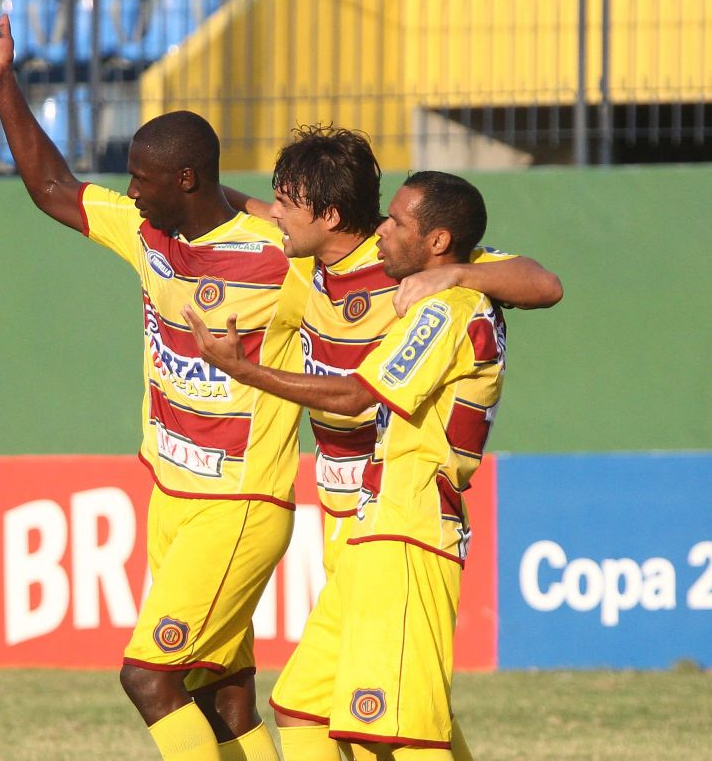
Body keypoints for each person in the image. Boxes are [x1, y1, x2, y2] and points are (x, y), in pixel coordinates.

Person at [0, 3, 311, 761]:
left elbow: (365, 266)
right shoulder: (147, 232)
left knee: (148, 679)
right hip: (173, 500)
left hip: (238, 505)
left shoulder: (279, 259)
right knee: (224, 696)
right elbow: (53, 187)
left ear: (185, 177)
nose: (131, 189)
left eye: (143, 179)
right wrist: (2, 81)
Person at [183, 171, 509, 759]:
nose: (383, 227)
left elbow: (357, 396)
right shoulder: (441, 295)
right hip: (374, 524)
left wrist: (244, 370)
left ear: (438, 242)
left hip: (409, 528)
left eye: (398, 221)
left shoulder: (450, 309)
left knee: (405, 735)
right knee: (304, 702)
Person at [224, 125, 560, 581]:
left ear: (329, 215)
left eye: (286, 203)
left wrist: (456, 275)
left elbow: (545, 285)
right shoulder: (304, 253)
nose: (275, 213)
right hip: (336, 500)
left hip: (395, 507)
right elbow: (240, 204)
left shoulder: (404, 259)